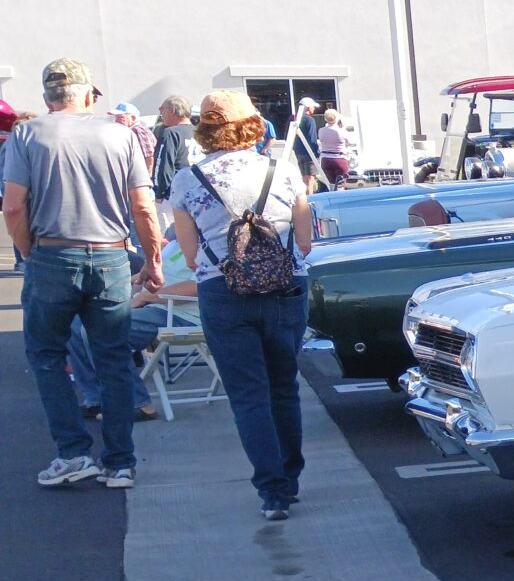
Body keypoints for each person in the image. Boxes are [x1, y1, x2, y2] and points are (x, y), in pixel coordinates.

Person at [1, 57, 162, 488]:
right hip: (110, 255)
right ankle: (120, 462)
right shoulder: (120, 134)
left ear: (48, 97)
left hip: (52, 252)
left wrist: (28, 251)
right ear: (88, 94)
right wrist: (152, 259)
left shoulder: (27, 134)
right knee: (113, 357)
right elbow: (143, 206)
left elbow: (13, 206)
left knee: (47, 355)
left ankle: (73, 454)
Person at [169, 90, 313, 519]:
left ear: (205, 129)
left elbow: (190, 256)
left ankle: (272, 491)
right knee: (283, 385)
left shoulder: (187, 180)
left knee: (249, 394)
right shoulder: (282, 170)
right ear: (252, 124)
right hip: (286, 286)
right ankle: (290, 476)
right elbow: (305, 241)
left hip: (223, 291)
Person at [150, 94, 199, 204]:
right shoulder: (198, 132)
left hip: (174, 193)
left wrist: (159, 193)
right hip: (197, 190)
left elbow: (163, 165)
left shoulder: (170, 133)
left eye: (162, 109)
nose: (161, 113)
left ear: (172, 110)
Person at [317, 108, 351, 188]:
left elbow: (321, 140)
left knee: (330, 185)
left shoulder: (321, 130)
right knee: (341, 185)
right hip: (340, 159)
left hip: (326, 159)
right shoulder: (341, 131)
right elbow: (349, 143)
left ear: (325, 119)